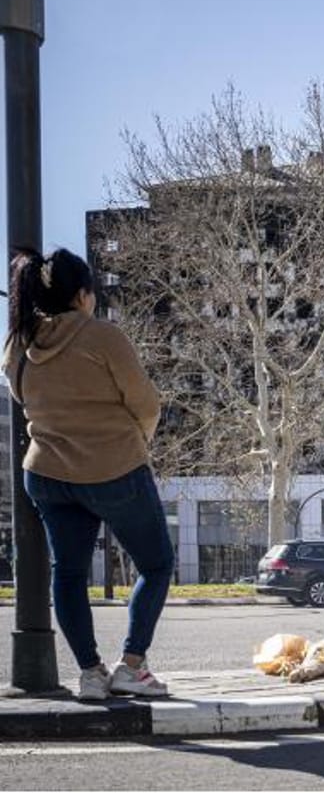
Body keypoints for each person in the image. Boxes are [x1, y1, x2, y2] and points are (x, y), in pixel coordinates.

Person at [3, 248, 173, 700]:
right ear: (83, 295)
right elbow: (146, 404)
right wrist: (134, 441)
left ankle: (91, 673)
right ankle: (131, 666)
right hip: (114, 469)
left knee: (70, 573)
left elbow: (22, 400)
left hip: (46, 474)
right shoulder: (104, 338)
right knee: (156, 564)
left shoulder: (16, 343)